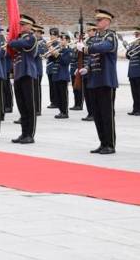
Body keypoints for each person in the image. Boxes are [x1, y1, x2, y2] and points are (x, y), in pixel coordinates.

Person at [77, 9, 118, 154]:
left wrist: (86, 48)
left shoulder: (110, 36)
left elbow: (104, 48)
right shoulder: (97, 38)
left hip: (106, 80)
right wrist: (86, 68)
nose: (97, 22)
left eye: (100, 20)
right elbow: (94, 57)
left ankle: (110, 144)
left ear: (107, 21)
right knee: (98, 114)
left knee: (107, 114)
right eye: (97, 20)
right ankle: (102, 143)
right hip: (94, 80)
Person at [8, 14, 39, 144]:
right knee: (21, 106)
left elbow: (20, 43)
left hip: (27, 73)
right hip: (19, 73)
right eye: (20, 24)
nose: (20, 27)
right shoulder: (20, 38)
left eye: (23, 25)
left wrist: (12, 41)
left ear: (29, 26)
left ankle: (30, 134)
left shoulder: (31, 38)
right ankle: (23, 133)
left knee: (29, 106)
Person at [50, 34, 73, 119]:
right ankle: (61, 111)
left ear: (67, 41)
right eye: (60, 39)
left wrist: (57, 54)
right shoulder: (59, 50)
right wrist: (51, 52)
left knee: (63, 95)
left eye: (63, 39)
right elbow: (51, 60)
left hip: (63, 75)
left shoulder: (69, 51)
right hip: (56, 74)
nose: (61, 41)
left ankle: (65, 112)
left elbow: (65, 61)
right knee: (58, 95)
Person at [81, 24, 98, 121]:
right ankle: (90, 113)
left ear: (94, 31)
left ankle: (93, 113)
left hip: (91, 69)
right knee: (86, 94)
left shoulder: (94, 41)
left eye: (89, 30)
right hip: (84, 69)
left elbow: (91, 54)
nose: (88, 32)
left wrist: (83, 47)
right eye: (87, 31)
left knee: (91, 94)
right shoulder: (87, 41)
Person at [125, 27, 140, 116]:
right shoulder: (133, 44)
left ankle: (139, 109)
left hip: (138, 72)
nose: (135, 35)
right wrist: (128, 49)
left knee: (139, 92)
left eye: (137, 33)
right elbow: (128, 56)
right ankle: (135, 109)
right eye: (135, 34)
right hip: (132, 72)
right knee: (134, 92)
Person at [46, 28, 61, 109]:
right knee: (51, 86)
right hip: (49, 67)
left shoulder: (58, 44)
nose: (52, 37)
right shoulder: (48, 43)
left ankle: (56, 102)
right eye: (51, 35)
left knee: (55, 86)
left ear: (57, 36)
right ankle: (52, 101)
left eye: (54, 35)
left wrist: (50, 47)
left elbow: (56, 55)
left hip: (55, 68)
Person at [33, 25, 46, 116]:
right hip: (31, 69)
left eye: (38, 32)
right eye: (35, 32)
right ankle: (33, 107)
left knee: (37, 90)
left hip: (37, 69)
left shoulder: (43, 42)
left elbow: (40, 53)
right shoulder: (33, 41)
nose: (36, 34)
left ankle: (38, 109)